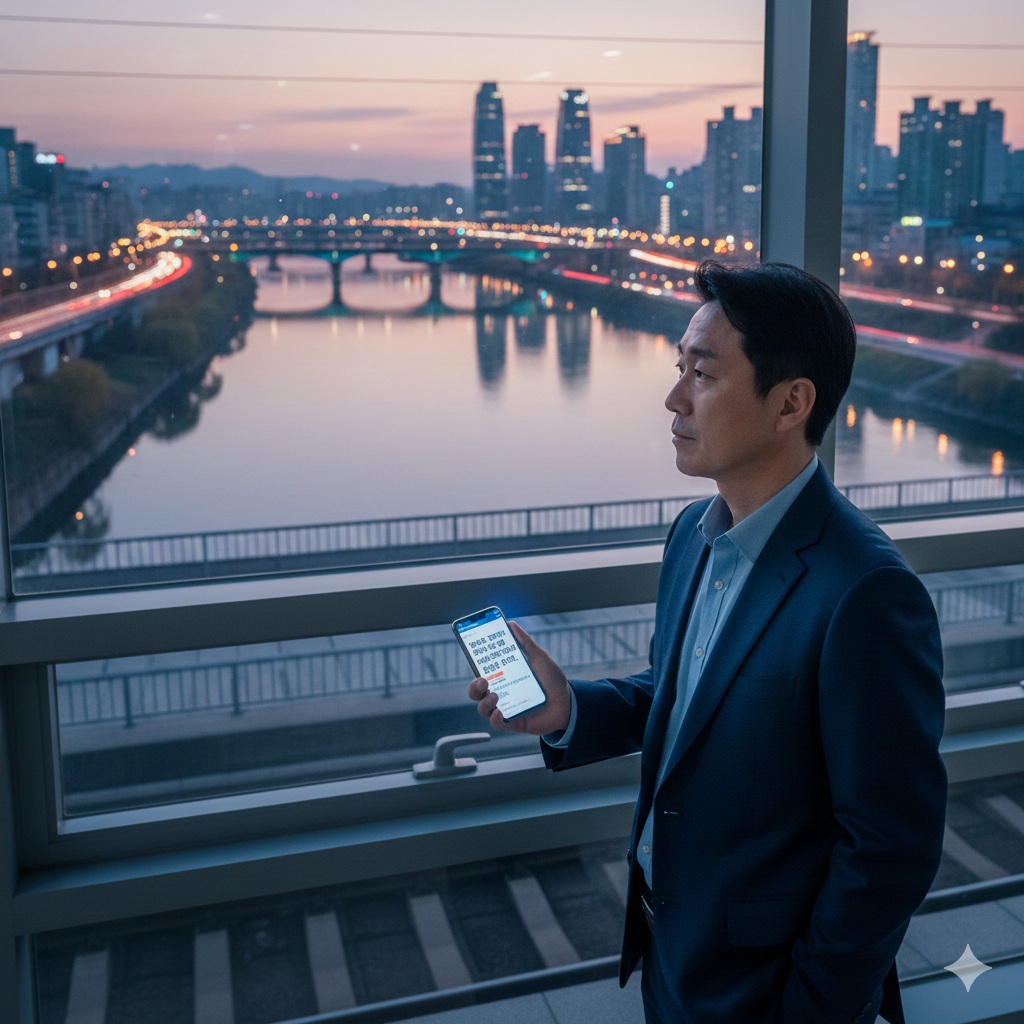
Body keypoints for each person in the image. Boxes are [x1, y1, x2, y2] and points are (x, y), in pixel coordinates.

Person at [468, 259, 947, 1024]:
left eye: (704, 374)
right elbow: (684, 700)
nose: (674, 397)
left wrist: (810, 1009)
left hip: (769, 988)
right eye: (679, 366)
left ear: (791, 403)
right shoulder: (694, 534)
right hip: (673, 953)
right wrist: (568, 711)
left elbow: (892, 848)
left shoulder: (865, 593)